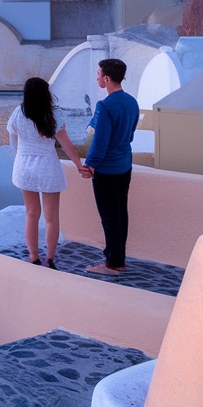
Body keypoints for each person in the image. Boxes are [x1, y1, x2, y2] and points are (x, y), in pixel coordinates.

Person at [8, 77, 83, 270]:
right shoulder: (52, 116)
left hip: (24, 167)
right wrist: (79, 165)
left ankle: (33, 256)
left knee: (31, 214)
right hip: (47, 168)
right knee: (51, 217)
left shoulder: (18, 113)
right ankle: (50, 258)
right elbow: (67, 146)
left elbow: (13, 140)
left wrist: (18, 159)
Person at [80, 58, 140, 276]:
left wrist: (90, 165)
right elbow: (131, 134)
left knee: (109, 217)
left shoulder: (104, 106)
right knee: (120, 213)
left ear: (106, 78)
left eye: (98, 74)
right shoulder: (132, 102)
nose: (97, 77)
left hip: (107, 170)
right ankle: (118, 259)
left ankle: (112, 264)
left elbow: (100, 141)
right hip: (125, 165)